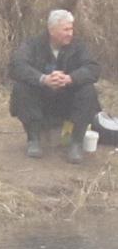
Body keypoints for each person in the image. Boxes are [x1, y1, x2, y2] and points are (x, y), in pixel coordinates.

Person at [8, 9, 101, 164]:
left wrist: (70, 78)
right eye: (66, 29)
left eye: (71, 29)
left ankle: (76, 143)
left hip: (68, 99)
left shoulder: (79, 46)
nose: (70, 33)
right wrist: (43, 79)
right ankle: (33, 140)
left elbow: (93, 68)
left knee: (88, 89)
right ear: (51, 30)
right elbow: (16, 66)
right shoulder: (32, 44)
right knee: (21, 87)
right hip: (40, 100)